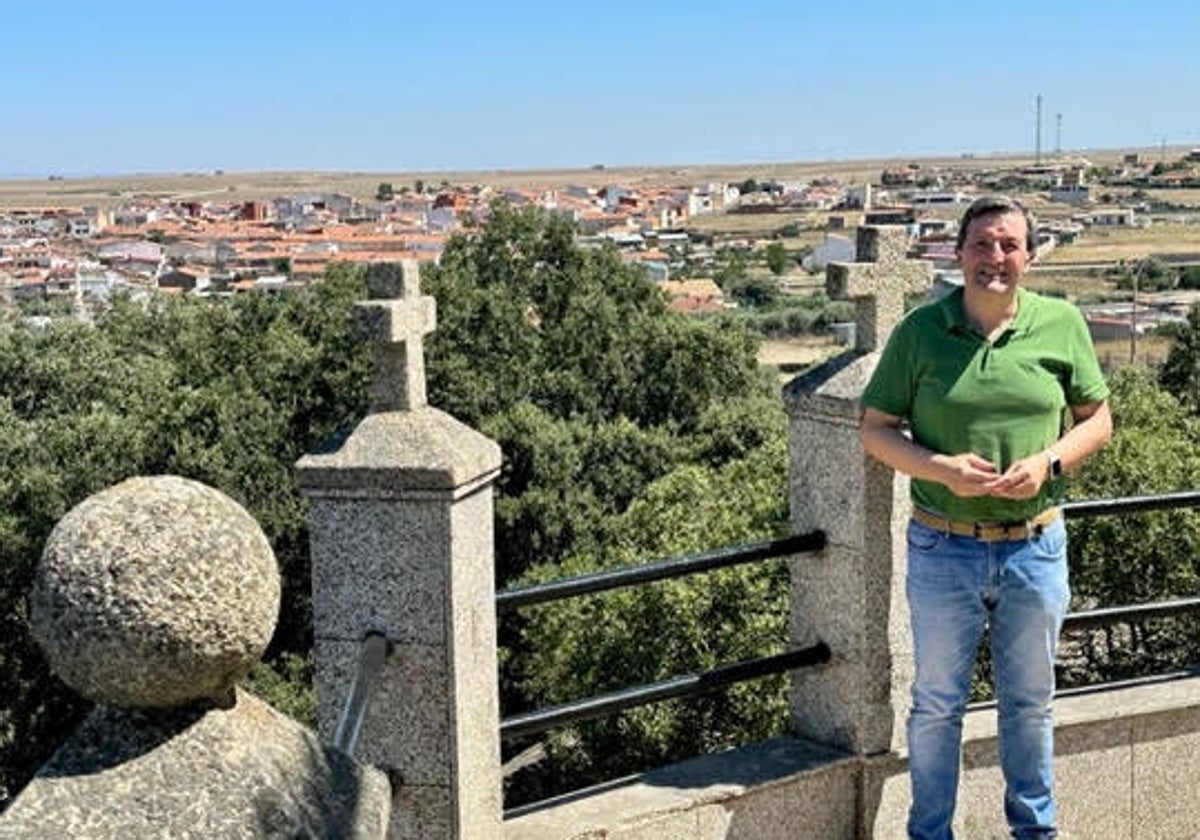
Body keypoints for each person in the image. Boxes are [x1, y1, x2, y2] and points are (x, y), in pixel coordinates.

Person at [859, 194, 1112, 840]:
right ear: (958, 252)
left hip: (1035, 545)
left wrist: (1049, 464)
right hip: (945, 548)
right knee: (938, 705)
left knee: (1030, 706)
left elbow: (1098, 421)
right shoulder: (920, 332)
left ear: (1028, 256)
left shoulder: (1062, 324)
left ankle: (1034, 833)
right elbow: (875, 431)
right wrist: (942, 469)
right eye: (981, 244)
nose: (993, 258)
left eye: (1007, 245)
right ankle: (931, 833)